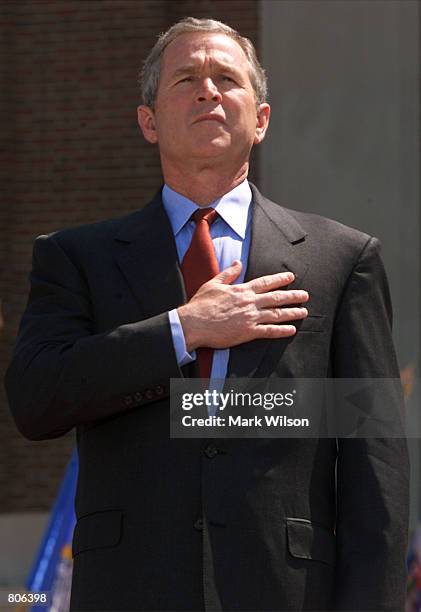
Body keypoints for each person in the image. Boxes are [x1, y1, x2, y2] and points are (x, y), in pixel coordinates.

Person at [5, 17, 409, 612]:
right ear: (148, 121)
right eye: (186, 78)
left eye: (227, 78)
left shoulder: (343, 260)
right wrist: (183, 329)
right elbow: (36, 400)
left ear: (262, 120)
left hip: (286, 589)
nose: (209, 90)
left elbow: (373, 459)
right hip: (128, 587)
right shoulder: (75, 257)